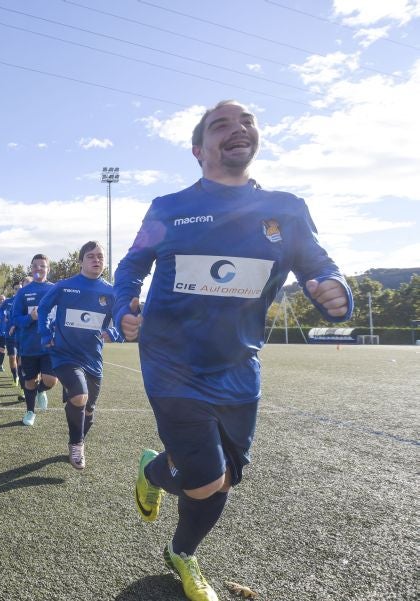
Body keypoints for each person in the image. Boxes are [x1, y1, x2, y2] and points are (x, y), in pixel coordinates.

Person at [113, 100, 353, 601]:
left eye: (247, 122)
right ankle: (179, 532)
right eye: (221, 124)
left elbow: (317, 262)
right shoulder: (168, 207)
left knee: (223, 483)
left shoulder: (285, 208)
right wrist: (123, 306)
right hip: (170, 361)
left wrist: (331, 285)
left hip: (239, 366)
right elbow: (132, 265)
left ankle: (160, 487)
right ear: (199, 150)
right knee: (205, 479)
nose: (238, 129)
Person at [39, 242, 118, 466]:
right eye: (91, 256)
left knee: (89, 409)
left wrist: (114, 331)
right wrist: (45, 334)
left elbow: (120, 319)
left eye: (100, 256)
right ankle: (77, 446)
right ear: (81, 261)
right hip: (64, 354)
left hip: (93, 359)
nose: (96, 260)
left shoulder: (110, 292)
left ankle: (78, 439)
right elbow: (44, 308)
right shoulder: (65, 286)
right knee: (80, 396)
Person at [12, 255, 58, 426]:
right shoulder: (23, 292)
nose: (39, 269)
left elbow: (62, 316)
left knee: (51, 381)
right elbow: (16, 319)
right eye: (35, 266)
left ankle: (41, 391)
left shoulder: (55, 290)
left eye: (43, 266)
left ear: (48, 269)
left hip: (50, 345)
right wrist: (31, 317)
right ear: (31, 268)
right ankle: (30, 412)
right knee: (29, 381)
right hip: (29, 346)